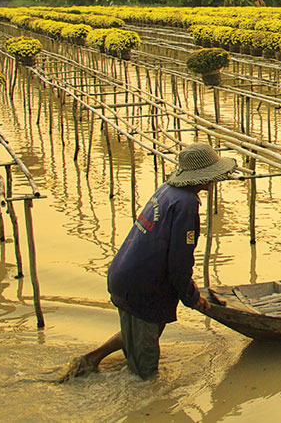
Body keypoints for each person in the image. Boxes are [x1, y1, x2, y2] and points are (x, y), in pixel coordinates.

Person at [58, 143, 236, 381]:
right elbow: (179, 263)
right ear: (202, 176)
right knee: (145, 376)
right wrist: (192, 298)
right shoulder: (186, 203)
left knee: (141, 329)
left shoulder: (168, 190)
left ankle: (90, 360)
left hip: (126, 273)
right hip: (143, 285)